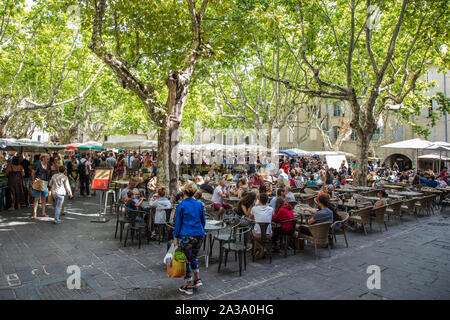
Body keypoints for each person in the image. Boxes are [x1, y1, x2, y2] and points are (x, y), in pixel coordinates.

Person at [173, 183, 205, 295]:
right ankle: (197, 279)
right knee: (194, 257)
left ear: (183, 192)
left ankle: (189, 285)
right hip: (199, 234)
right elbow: (203, 221)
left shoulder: (181, 205)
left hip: (186, 235)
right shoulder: (199, 204)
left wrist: (175, 237)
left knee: (185, 260)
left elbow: (178, 223)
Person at [31, 155, 50, 219]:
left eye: (48, 159)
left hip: (44, 183)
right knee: (36, 198)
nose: (48, 160)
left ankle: (43, 212)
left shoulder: (48, 165)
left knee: (44, 199)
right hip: (38, 182)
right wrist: (33, 180)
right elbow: (33, 172)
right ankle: (34, 213)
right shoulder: (38, 165)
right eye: (47, 159)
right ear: (43, 158)